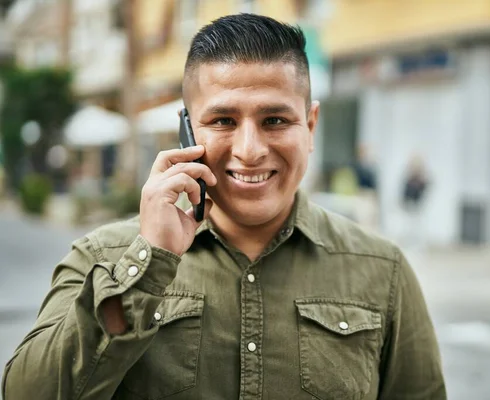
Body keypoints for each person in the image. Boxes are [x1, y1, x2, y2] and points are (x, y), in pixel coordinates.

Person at [2, 14, 446, 399]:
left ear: (310, 126)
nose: (250, 150)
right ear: (187, 129)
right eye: (223, 121)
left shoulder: (383, 271)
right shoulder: (102, 257)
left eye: (275, 120)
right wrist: (148, 263)